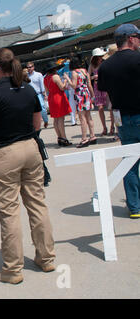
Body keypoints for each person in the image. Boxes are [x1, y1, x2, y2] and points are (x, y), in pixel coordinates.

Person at [0, 48, 56, 284]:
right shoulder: (28, 88)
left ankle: (12, 269)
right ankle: (47, 258)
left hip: (4, 153)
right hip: (30, 148)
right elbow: (38, 122)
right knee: (37, 204)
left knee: (9, 213)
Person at [98, 23, 140, 219]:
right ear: (130, 38)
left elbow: (105, 92)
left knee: (129, 162)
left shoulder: (106, 65)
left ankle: (135, 207)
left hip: (122, 117)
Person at [64, 57, 97, 148]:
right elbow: (89, 84)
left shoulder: (74, 73)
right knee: (89, 117)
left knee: (82, 118)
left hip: (80, 95)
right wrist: (93, 95)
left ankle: (84, 138)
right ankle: (92, 136)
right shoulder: (85, 71)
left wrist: (67, 78)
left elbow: (74, 86)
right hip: (86, 94)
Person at [44, 61, 72, 146]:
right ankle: (64, 138)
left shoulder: (45, 78)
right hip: (58, 97)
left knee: (56, 119)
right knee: (60, 119)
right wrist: (65, 81)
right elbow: (62, 88)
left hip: (51, 98)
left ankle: (59, 137)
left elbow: (47, 91)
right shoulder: (55, 76)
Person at [88, 47, 112, 136]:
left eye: (100, 56)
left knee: (110, 108)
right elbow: (88, 77)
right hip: (97, 87)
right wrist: (93, 77)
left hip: (105, 86)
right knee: (100, 108)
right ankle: (104, 127)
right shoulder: (92, 65)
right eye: (98, 56)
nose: (100, 57)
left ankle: (112, 127)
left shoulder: (104, 63)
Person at [26, 61, 49, 128]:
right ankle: (34, 124)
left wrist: (44, 94)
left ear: (33, 67)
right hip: (30, 95)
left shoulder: (38, 75)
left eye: (30, 67)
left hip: (38, 94)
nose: (29, 68)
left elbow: (42, 85)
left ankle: (46, 120)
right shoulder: (26, 76)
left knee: (42, 108)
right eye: (28, 67)